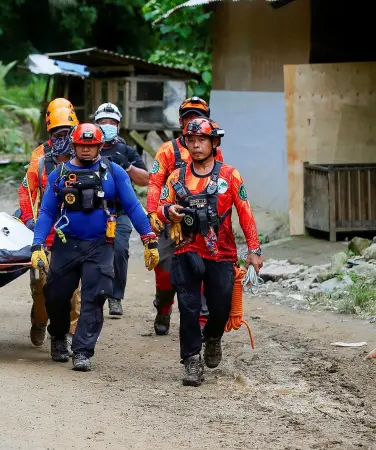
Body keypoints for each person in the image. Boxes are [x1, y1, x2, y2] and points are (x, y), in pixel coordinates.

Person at [32, 123, 159, 371]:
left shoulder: (115, 172)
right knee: (55, 294)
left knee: (95, 295)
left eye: (91, 146)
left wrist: (148, 238)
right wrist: (37, 244)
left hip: (100, 244)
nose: (87, 150)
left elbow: (133, 207)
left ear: (100, 146)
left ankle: (82, 351)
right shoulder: (59, 174)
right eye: (82, 145)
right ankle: (58, 335)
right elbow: (47, 211)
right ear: (74, 145)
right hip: (66, 243)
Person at [156, 118, 262, 386]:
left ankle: (213, 337)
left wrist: (254, 249)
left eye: (201, 140)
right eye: (191, 140)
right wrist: (169, 212)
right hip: (186, 251)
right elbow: (161, 206)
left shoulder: (230, 176)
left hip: (222, 253)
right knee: (189, 307)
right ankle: (191, 360)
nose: (195, 145)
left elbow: (246, 213)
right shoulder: (176, 177)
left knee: (221, 308)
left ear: (214, 143)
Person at [147, 96, 224, 335]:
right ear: (181, 121)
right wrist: (154, 214)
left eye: (198, 117)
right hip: (172, 220)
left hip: (201, 221)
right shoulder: (168, 151)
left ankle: (200, 322)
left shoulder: (214, 152)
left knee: (202, 269)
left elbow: (221, 184)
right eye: (189, 117)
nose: (193, 121)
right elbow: (154, 183)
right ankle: (164, 306)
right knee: (166, 272)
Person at [18, 106, 82, 348]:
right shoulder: (41, 158)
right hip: (47, 232)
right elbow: (26, 190)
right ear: (49, 133)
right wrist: (29, 220)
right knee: (42, 286)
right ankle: (39, 320)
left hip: (76, 233)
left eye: (66, 132)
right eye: (57, 133)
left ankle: (72, 336)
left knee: (75, 290)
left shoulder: (85, 154)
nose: (62, 138)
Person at [94, 102, 148, 318]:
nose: (107, 125)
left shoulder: (126, 150)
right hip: (92, 210)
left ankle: (115, 297)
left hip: (120, 211)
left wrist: (127, 166)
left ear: (118, 125)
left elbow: (146, 180)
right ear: (95, 124)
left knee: (119, 250)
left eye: (112, 122)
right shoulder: (85, 147)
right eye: (103, 122)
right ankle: (92, 295)